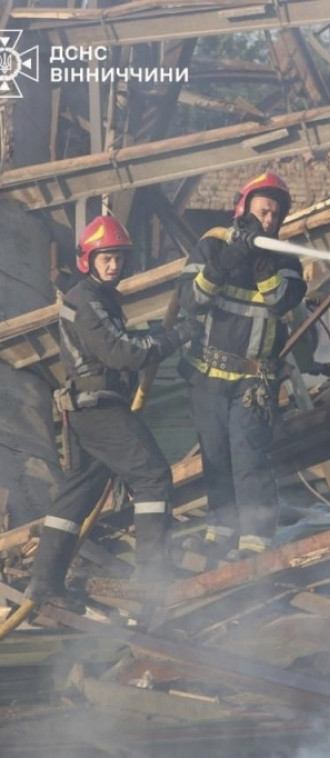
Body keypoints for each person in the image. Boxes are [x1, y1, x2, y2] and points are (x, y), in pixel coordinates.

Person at [27, 216, 202, 609]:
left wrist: (160, 335)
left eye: (119, 258)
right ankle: (152, 577)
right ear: (88, 260)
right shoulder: (88, 302)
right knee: (153, 476)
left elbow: (122, 340)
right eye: (106, 258)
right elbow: (123, 353)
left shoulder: (96, 298)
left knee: (77, 495)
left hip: (88, 410)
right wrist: (179, 335)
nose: (114, 265)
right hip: (100, 409)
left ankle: (44, 583)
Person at [177, 172, 307, 560]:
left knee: (249, 459)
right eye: (263, 212)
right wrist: (226, 261)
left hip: (253, 382)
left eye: (275, 215)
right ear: (243, 209)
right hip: (207, 377)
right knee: (215, 457)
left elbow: (280, 301)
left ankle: (255, 541)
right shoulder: (211, 245)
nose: (269, 220)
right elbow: (190, 300)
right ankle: (221, 532)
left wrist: (259, 260)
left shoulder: (284, 259)